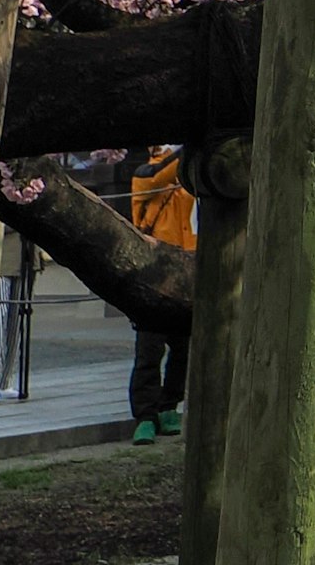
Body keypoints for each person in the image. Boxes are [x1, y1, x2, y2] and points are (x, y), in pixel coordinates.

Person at [127, 146, 196, 441]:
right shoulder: (145, 176)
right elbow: (157, 175)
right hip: (152, 273)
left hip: (184, 269)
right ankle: (145, 415)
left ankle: (169, 405)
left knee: (182, 348)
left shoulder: (189, 183)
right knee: (149, 350)